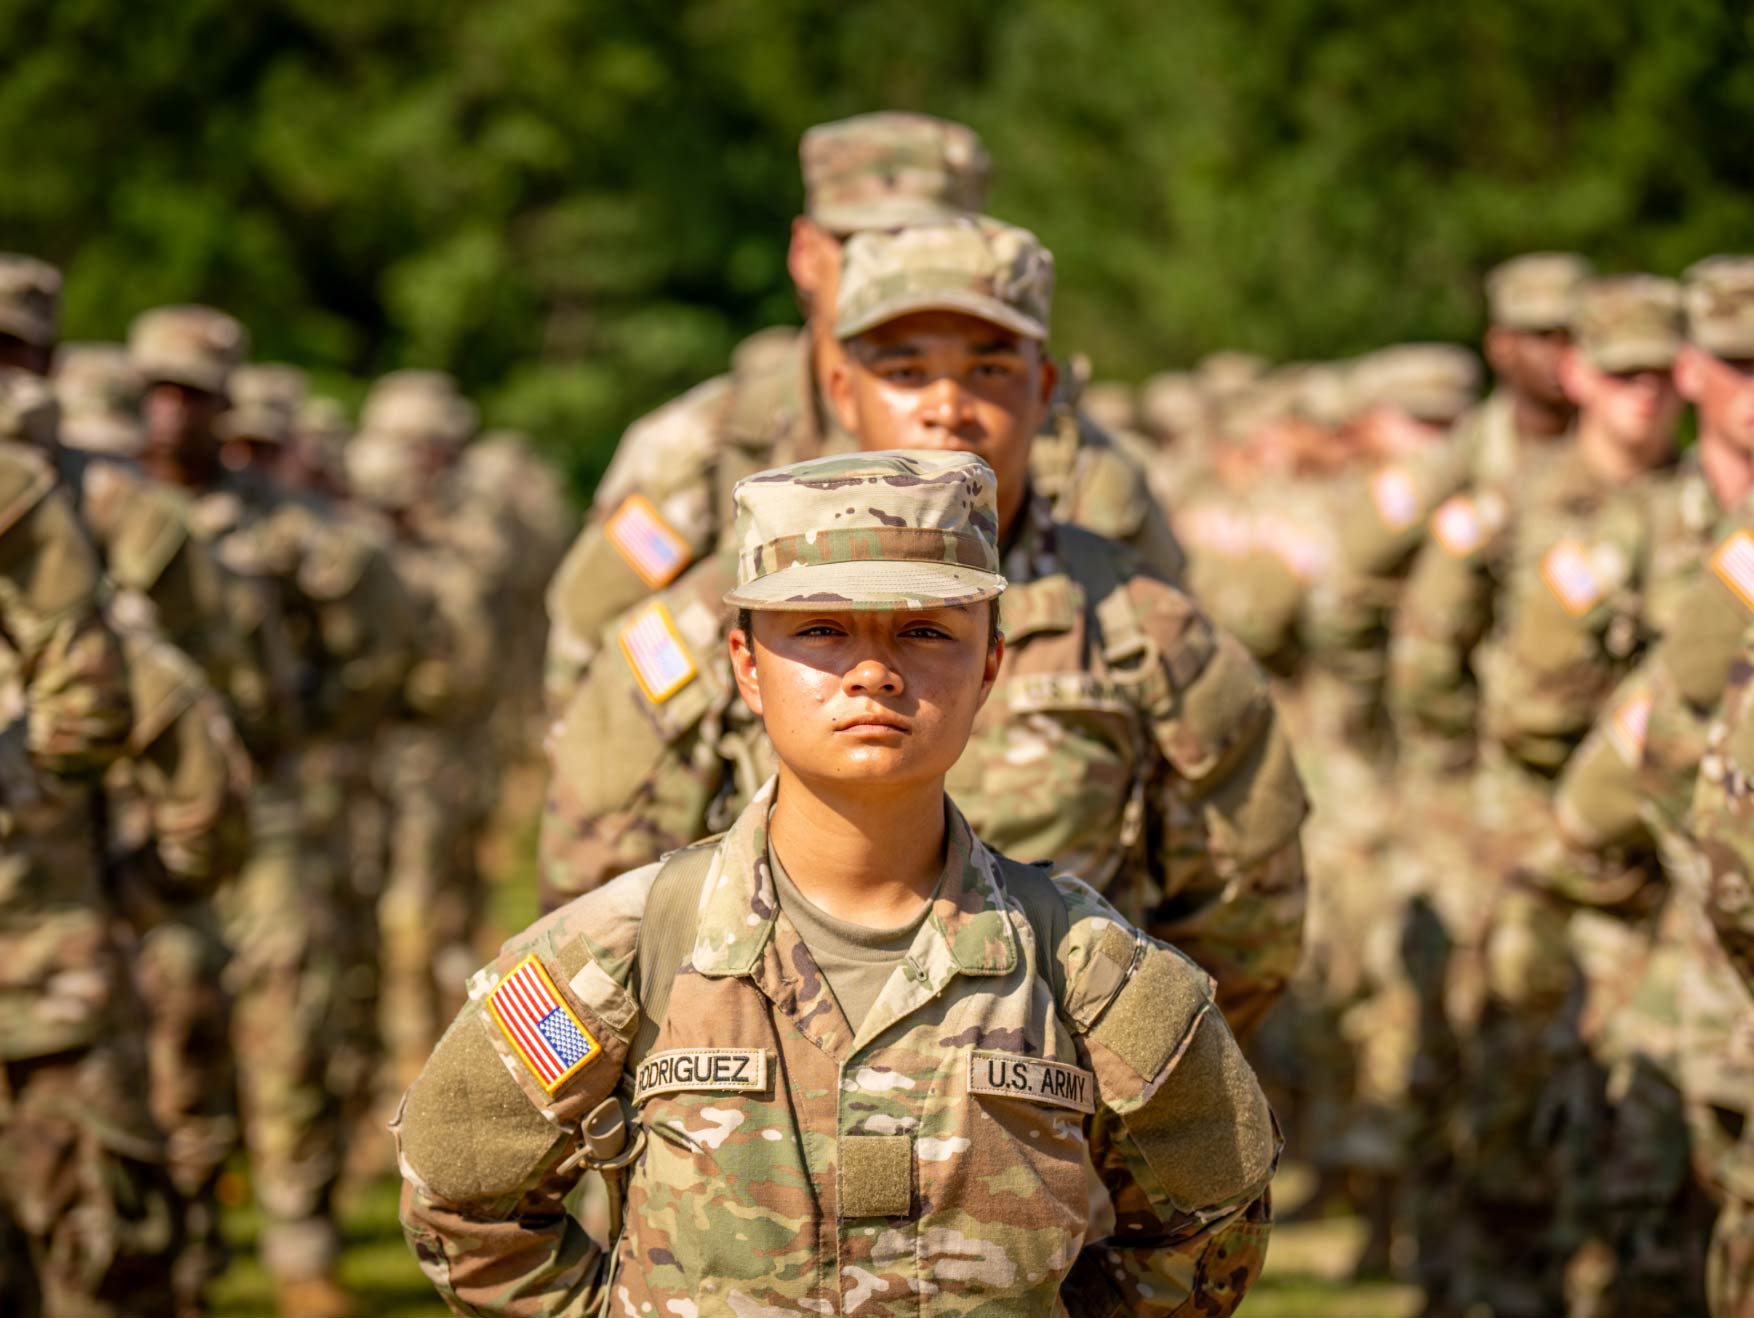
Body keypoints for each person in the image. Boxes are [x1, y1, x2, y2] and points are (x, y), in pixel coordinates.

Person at [398, 448, 1280, 1315]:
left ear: (989, 667)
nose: (873, 671)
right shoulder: (622, 949)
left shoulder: (1084, 967)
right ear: (746, 664)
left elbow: (1213, 1215)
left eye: (926, 631)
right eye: (820, 629)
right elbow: (462, 1188)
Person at [541, 216, 1307, 1042]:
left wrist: (1126, 1110)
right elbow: (599, 903)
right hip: (755, 1127)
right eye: (906, 371)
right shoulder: (711, 622)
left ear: (1045, 388)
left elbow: (1242, 925)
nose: (948, 407)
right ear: (842, 388)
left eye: (989, 368)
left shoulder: (1145, 632)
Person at [544, 112, 1184, 712]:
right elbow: (591, 665)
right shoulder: (706, 449)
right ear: (805, 253)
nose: (906, 266)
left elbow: (1176, 670)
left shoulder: (1081, 468)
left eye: (938, 240)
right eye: (869, 239)